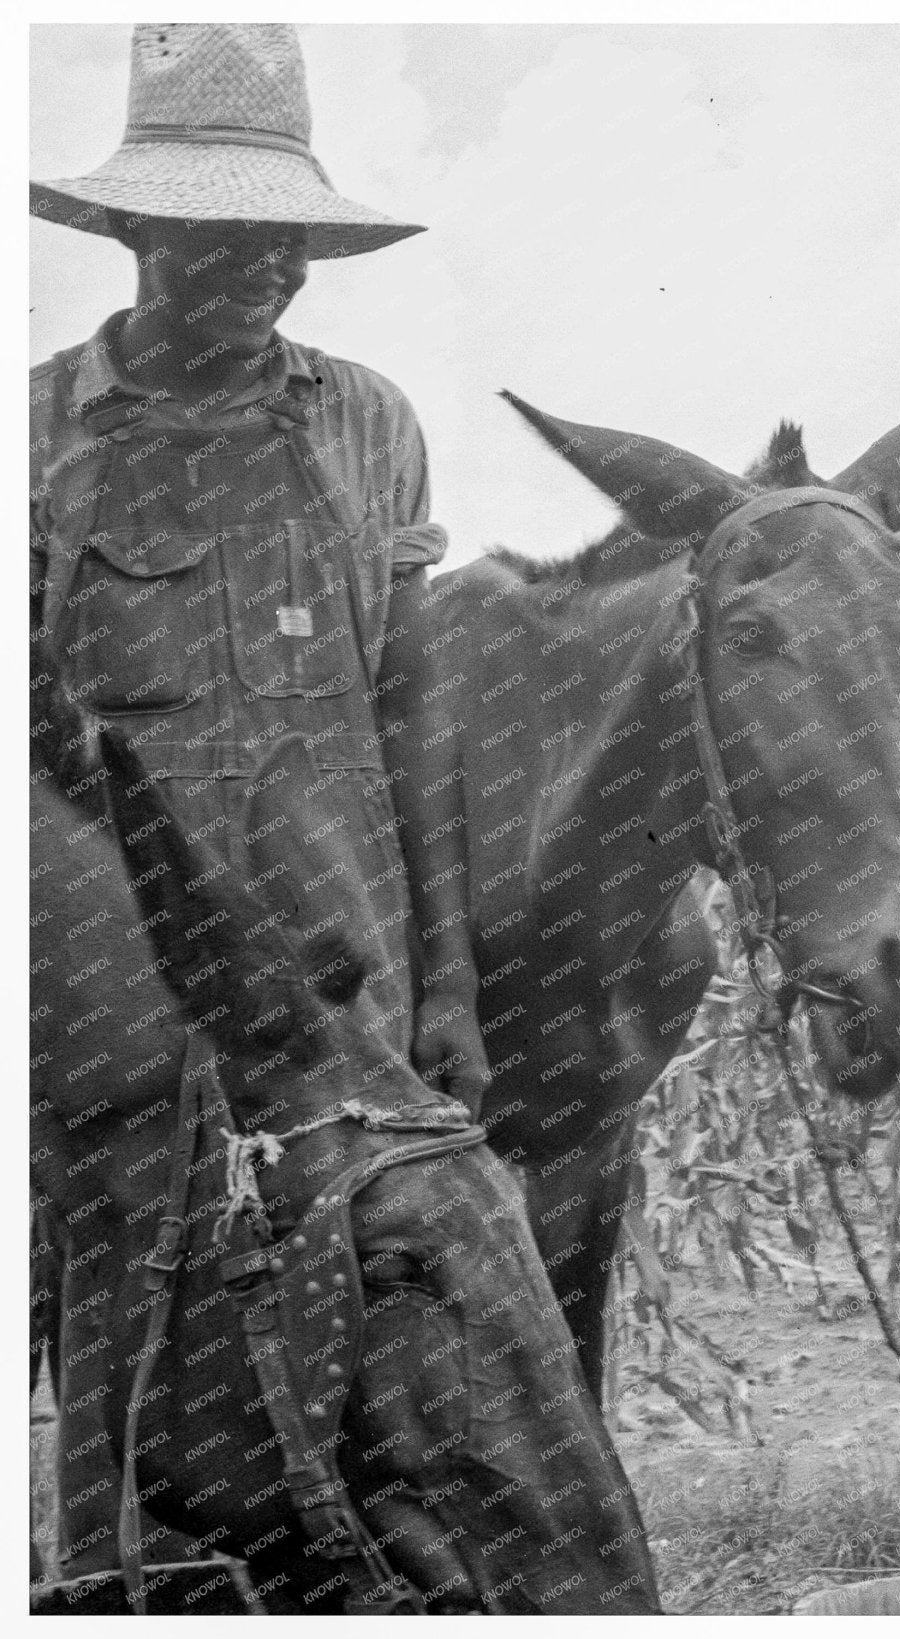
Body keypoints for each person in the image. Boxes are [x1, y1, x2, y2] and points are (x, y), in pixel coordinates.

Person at [30, 22, 486, 1576]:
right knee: (128, 1354)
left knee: (365, 1347)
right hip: (115, 1005)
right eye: (217, 238)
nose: (258, 270)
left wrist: (452, 984)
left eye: (280, 240)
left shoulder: (371, 423)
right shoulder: (34, 432)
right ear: (140, 231)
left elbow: (417, 716)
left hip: (340, 980)